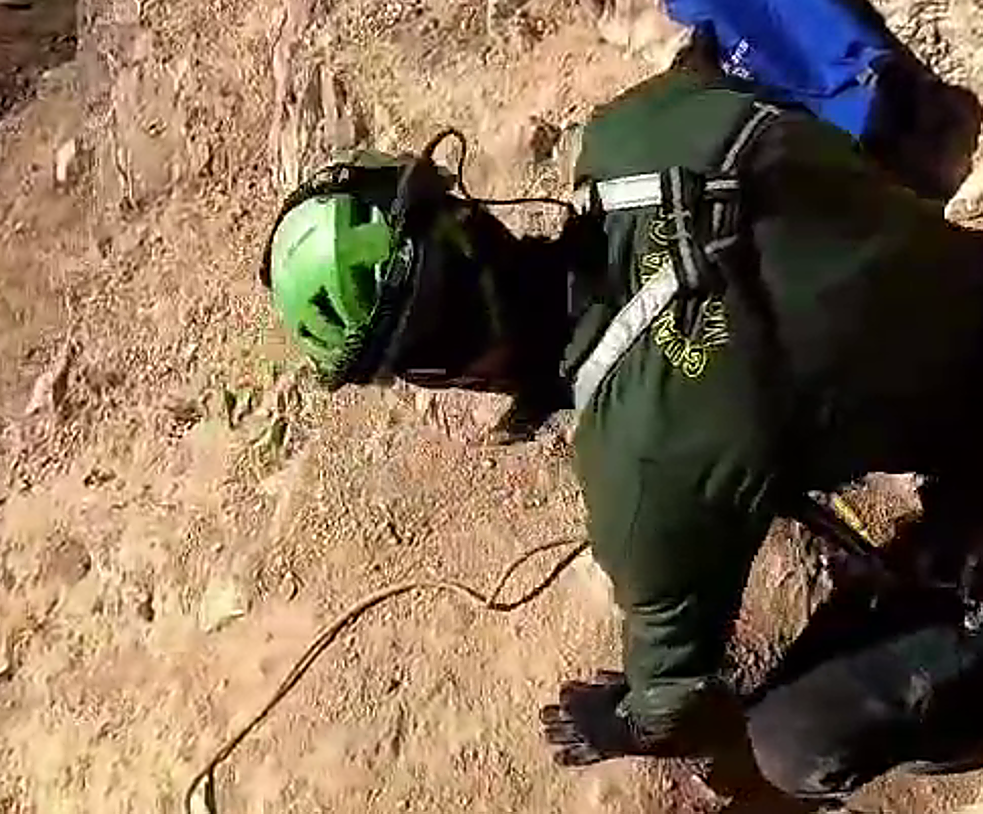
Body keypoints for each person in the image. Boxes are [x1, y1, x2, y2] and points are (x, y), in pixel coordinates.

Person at [258, 50, 983, 804]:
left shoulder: (639, 470)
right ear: (468, 211)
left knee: (786, 748)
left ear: (441, 374)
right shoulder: (638, 129)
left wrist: (623, 722)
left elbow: (677, 708)